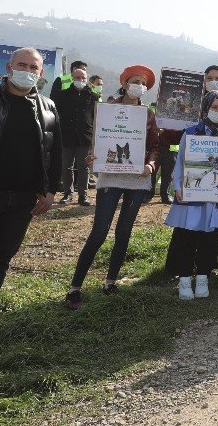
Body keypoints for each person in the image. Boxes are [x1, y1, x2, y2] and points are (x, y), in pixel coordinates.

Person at [65, 65, 160, 310]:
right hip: (110, 177)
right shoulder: (108, 109)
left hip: (137, 180)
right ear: (125, 83)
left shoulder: (148, 115)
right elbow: (98, 138)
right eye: (135, 81)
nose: (139, 85)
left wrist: (150, 165)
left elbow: (155, 146)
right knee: (99, 232)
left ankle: (110, 282)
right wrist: (91, 155)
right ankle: (75, 287)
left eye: (143, 83)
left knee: (124, 232)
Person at [0, 48, 61, 308]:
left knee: (1, 258)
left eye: (34, 68)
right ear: (9, 68)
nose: (28, 71)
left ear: (41, 73)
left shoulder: (48, 107)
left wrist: (51, 190)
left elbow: (54, 152)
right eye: (22, 65)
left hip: (23, 201)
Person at [164, 91, 218, 300]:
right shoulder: (191, 132)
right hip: (192, 196)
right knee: (187, 238)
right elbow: (179, 162)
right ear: (205, 108)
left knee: (211, 240)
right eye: (214, 108)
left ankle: (203, 277)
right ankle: (184, 279)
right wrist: (178, 185)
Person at [52, 63, 96, 206]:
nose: (80, 80)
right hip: (66, 135)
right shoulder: (62, 95)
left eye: (82, 78)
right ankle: (67, 194)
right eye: (77, 77)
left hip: (85, 137)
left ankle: (83, 196)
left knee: (84, 167)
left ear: (86, 79)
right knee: (66, 166)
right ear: (72, 78)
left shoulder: (93, 96)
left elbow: (96, 117)